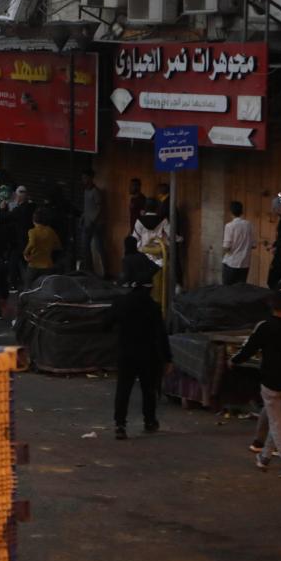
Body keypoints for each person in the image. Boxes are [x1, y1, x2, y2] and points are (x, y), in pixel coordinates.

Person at [230, 288, 281, 479]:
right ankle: (264, 457)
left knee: (276, 424)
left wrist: (234, 361)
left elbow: (249, 349)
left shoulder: (264, 327)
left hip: (270, 381)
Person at [106, 280, 172, 439]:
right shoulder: (153, 306)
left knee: (123, 390)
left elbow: (105, 325)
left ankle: (120, 425)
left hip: (126, 354)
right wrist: (167, 358)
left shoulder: (120, 303)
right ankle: (149, 421)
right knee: (148, 390)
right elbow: (161, 334)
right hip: (148, 355)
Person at [133, 199, 172, 311]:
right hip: (160, 256)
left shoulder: (139, 221)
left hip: (144, 257)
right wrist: (180, 239)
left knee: (146, 286)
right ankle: (160, 309)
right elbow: (172, 235)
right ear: (157, 208)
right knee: (161, 286)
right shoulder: (163, 220)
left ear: (145, 208)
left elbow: (135, 239)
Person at [23, 208, 61, 288]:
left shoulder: (32, 231)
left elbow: (32, 243)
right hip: (48, 264)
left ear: (33, 220)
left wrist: (25, 253)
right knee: (46, 287)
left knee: (28, 286)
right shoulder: (50, 231)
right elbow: (57, 245)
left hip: (34, 263)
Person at [79, 169, 106, 277]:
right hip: (87, 223)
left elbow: (100, 208)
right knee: (85, 247)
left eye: (85, 178)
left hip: (96, 225)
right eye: (83, 178)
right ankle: (88, 270)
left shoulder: (95, 191)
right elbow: (87, 207)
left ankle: (103, 271)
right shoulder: (86, 191)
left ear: (91, 178)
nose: (83, 180)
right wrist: (83, 217)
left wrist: (93, 221)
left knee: (99, 248)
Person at [222, 200, 254, 286]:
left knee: (228, 290)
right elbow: (253, 245)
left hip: (231, 263)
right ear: (241, 211)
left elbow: (226, 247)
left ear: (231, 212)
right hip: (245, 263)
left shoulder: (229, 226)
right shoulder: (249, 225)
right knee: (240, 290)